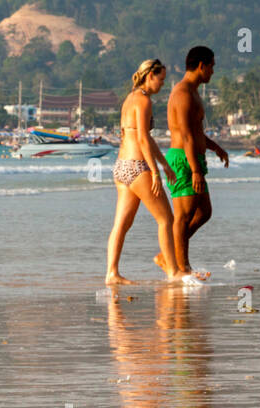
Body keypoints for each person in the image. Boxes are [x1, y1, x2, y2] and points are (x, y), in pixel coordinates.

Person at [105, 58, 185, 284]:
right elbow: (142, 138)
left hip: (121, 166)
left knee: (121, 224)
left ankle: (111, 273)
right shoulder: (144, 101)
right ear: (150, 76)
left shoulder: (129, 99)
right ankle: (173, 271)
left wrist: (165, 164)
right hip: (138, 167)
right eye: (161, 79)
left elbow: (143, 138)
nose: (162, 84)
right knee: (166, 219)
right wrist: (155, 172)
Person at [166, 46, 229, 276]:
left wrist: (215, 147)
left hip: (194, 159)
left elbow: (196, 132)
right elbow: (185, 136)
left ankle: (169, 255)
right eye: (212, 66)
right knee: (182, 217)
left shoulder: (193, 91)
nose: (213, 71)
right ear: (201, 65)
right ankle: (181, 268)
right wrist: (195, 171)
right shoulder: (182, 94)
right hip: (183, 161)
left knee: (204, 212)